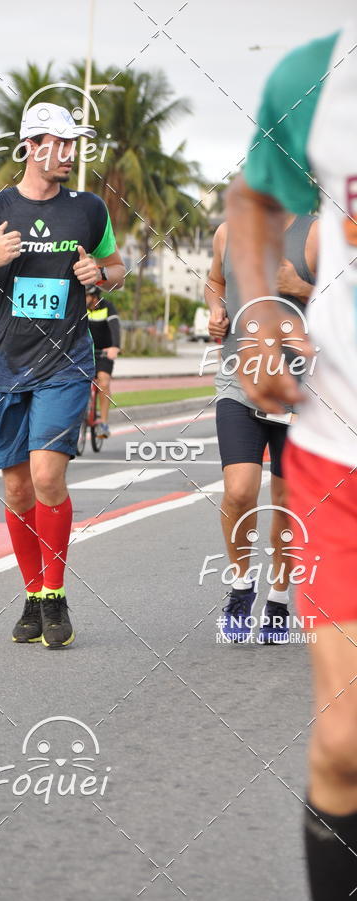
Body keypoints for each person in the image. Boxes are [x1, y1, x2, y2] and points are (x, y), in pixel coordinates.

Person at [226, 22, 357, 901]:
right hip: (339, 444)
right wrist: (263, 305)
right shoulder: (317, 75)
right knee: (346, 739)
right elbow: (253, 200)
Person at [0, 101, 125, 648]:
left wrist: (102, 273)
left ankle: (55, 592)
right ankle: (32, 593)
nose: (70, 154)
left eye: (74, 145)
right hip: (6, 366)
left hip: (66, 362)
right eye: (62, 143)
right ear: (32, 145)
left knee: (48, 477)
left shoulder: (89, 210)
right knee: (18, 487)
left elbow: (117, 268)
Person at [205, 215, 317, 643]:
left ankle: (279, 599)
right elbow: (215, 281)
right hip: (239, 383)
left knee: (286, 501)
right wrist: (216, 309)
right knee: (238, 491)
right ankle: (240, 587)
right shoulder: (229, 230)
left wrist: (302, 289)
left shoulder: (317, 233)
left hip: (301, 393)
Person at [85, 285, 121, 438]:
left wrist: (115, 346)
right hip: (85, 353)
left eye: (86, 295)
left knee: (103, 383)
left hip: (104, 353)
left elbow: (115, 328)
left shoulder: (107, 307)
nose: (83, 299)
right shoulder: (79, 307)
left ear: (94, 296)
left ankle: (104, 423)